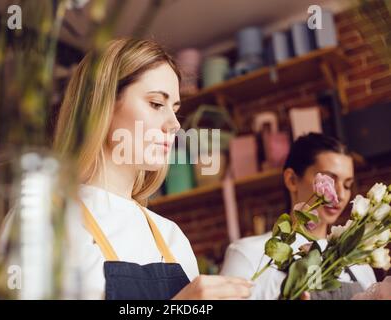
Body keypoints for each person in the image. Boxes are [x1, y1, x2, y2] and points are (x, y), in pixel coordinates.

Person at [51, 38, 252, 299]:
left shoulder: (171, 236)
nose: (175, 125)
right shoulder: (48, 220)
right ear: (99, 105)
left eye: (175, 109)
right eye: (156, 104)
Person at [220, 133, 377, 299]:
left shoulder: (358, 264)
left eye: (347, 185)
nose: (340, 194)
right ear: (292, 180)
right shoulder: (248, 255)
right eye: (329, 181)